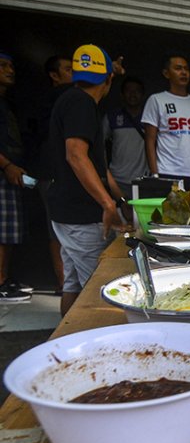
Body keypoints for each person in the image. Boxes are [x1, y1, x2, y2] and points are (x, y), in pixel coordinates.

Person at [47, 44, 129, 316]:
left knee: (73, 284)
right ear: (108, 80)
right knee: (98, 291)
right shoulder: (82, 103)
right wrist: (107, 204)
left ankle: (62, 342)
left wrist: (120, 199)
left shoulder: (71, 99)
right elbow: (76, 155)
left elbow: (98, 167)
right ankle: (92, 352)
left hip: (68, 213)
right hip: (80, 216)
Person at [141, 53, 190, 195]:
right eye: (178, 68)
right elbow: (150, 140)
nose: (183, 72)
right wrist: (155, 176)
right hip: (168, 173)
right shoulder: (157, 100)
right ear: (166, 73)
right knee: (169, 217)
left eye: (186, 69)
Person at [32, 55, 74, 294]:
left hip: (63, 174)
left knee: (66, 228)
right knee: (56, 228)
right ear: (54, 75)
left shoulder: (68, 99)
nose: (74, 74)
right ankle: (63, 284)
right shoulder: (55, 97)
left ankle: (68, 283)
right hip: (50, 174)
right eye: (69, 69)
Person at [0, 51, 32, 302]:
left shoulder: (5, 102)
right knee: (2, 231)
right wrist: (7, 165)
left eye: (11, 65)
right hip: (3, 171)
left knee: (9, 231)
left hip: (9, 171)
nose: (9, 70)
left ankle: (4, 278)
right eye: (3, 65)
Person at [103, 76, 148, 199]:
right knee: (119, 216)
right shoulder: (112, 116)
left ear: (143, 95)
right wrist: (105, 173)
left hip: (144, 180)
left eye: (137, 91)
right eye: (129, 90)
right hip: (117, 179)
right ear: (122, 95)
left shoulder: (150, 117)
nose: (133, 94)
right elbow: (100, 144)